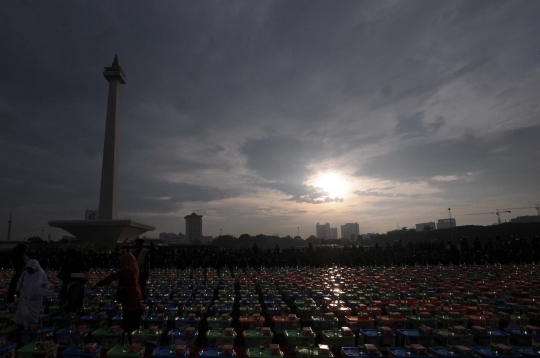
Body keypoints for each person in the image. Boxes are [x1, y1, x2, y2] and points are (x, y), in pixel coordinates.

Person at [95, 253, 142, 344]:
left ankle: (128, 341)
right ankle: (132, 340)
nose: (121, 260)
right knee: (134, 317)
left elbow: (114, 276)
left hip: (130, 295)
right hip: (135, 294)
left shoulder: (127, 269)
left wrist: (100, 283)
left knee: (128, 318)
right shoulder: (134, 268)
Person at [14, 259, 54, 329]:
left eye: (31, 269)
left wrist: (46, 290)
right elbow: (19, 283)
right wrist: (18, 290)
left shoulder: (40, 275)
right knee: (24, 314)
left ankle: (31, 328)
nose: (29, 271)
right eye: (28, 269)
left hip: (36, 300)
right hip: (25, 297)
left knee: (34, 316)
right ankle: (24, 328)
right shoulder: (24, 274)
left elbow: (46, 284)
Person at [58, 249, 88, 314]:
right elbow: (62, 274)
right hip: (68, 285)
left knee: (76, 301)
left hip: (78, 286)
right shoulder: (65, 263)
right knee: (68, 301)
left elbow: (86, 273)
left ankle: (75, 315)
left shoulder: (80, 263)